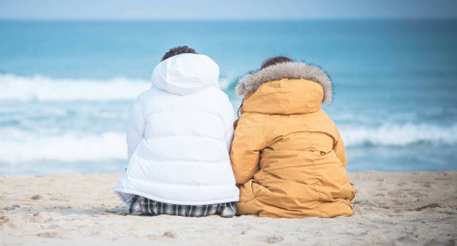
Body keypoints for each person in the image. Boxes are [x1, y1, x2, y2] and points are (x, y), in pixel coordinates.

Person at [114, 46, 238, 217]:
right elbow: (227, 143)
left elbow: (133, 144)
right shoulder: (220, 99)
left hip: (153, 202)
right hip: (211, 202)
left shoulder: (146, 98)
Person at [231, 56, 356, 218]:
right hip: (334, 199)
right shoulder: (321, 115)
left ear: (261, 79)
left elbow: (240, 172)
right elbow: (341, 160)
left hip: (281, 200)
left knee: (233, 196)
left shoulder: (256, 116)